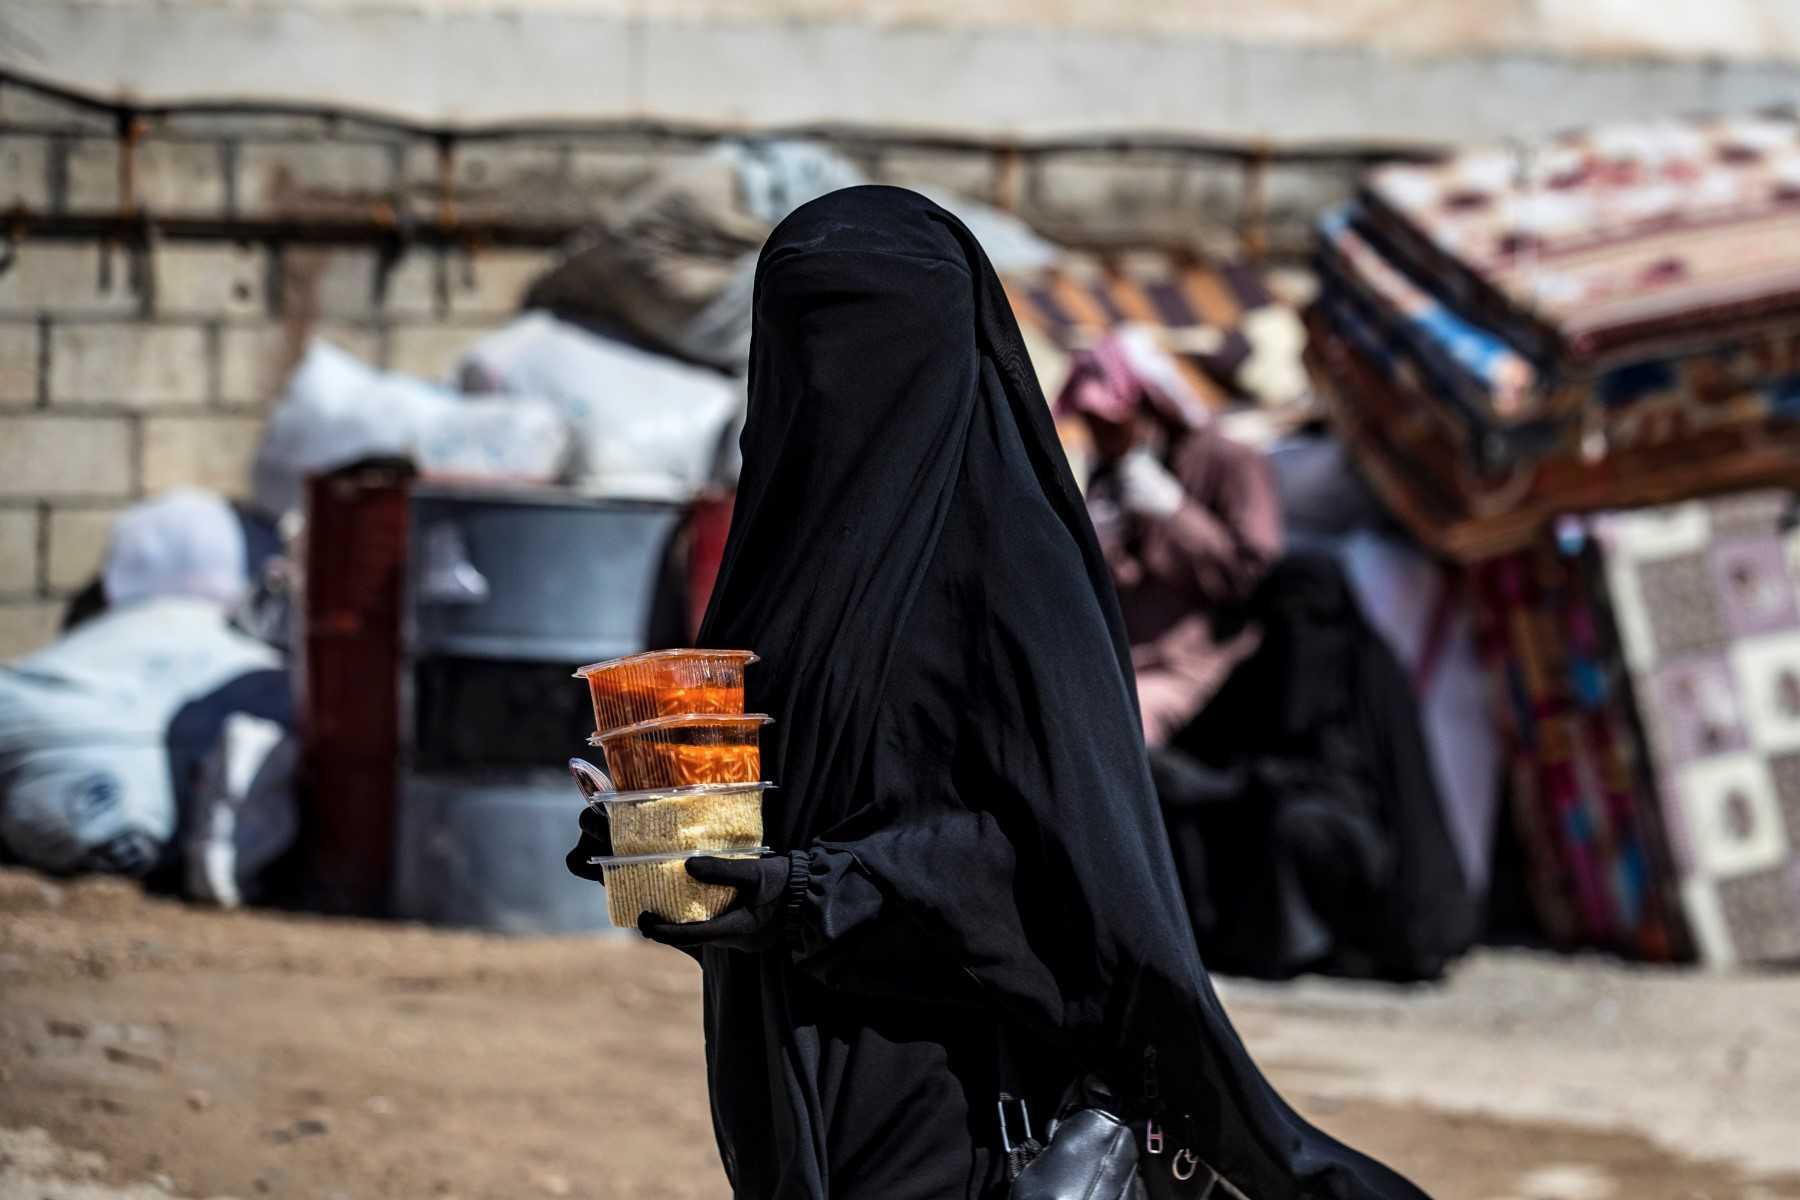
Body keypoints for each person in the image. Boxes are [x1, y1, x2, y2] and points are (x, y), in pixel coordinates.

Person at [568, 186, 1428, 1200]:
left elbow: (1066, 867)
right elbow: (760, 823)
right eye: (799, 335)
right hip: (783, 1076)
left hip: (963, 1090)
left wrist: (817, 892)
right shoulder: (780, 565)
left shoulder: (1014, 567)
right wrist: (665, 861)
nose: (832, 376)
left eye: (867, 338)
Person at [1054, 332, 1283, 748]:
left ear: (1149, 407)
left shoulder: (1230, 460)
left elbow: (1252, 577)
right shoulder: (1115, 469)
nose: (1099, 436)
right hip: (1119, 656)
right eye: (1090, 424)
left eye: (1108, 424)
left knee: (1114, 737)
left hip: (1196, 665)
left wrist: (1174, 511)